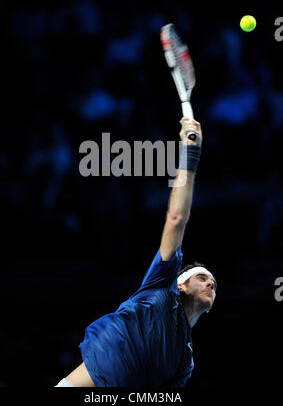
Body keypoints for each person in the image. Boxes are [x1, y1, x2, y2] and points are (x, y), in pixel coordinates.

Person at [55, 117, 217, 387]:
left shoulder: (184, 363)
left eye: (213, 282)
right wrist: (191, 154)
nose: (211, 282)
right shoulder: (162, 285)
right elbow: (176, 218)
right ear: (181, 284)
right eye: (202, 277)